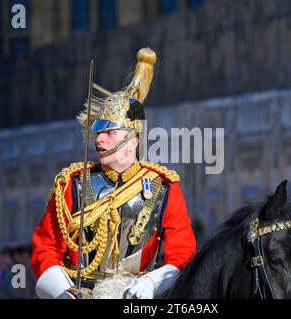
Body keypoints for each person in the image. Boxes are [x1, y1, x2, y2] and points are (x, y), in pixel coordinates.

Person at [31, 48, 196, 299]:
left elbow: (182, 254)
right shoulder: (72, 184)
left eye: (110, 133)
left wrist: (152, 283)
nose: (99, 140)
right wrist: (63, 293)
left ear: (133, 142)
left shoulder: (164, 187)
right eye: (98, 133)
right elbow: (45, 248)